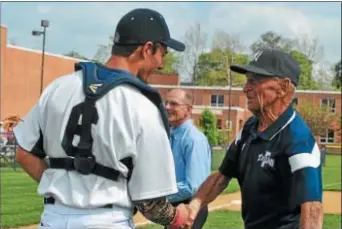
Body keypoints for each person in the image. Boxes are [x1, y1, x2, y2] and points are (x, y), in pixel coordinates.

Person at [14, 8, 190, 229]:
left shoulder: (58, 87)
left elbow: (23, 153)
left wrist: (64, 187)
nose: (161, 64)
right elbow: (150, 202)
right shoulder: (142, 105)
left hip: (53, 218)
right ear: (146, 49)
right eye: (161, 53)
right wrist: (177, 217)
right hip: (108, 221)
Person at [183, 49, 324, 229]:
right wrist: (194, 206)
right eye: (247, 80)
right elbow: (221, 177)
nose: (245, 88)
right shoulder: (250, 127)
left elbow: (312, 209)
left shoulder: (299, 140)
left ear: (283, 87)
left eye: (254, 81)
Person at [165, 89, 211, 229]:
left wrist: (160, 196)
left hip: (189, 208)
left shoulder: (193, 139)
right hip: (175, 206)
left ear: (188, 109)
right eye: (166, 103)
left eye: (174, 104)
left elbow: (193, 186)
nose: (167, 107)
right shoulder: (171, 134)